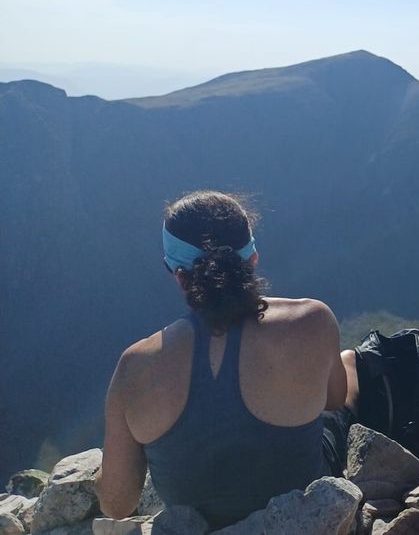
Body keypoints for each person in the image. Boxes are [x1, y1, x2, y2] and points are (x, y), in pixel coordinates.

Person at [96, 191, 347, 529]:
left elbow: (116, 504)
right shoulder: (313, 320)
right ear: (252, 258)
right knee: (353, 364)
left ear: (176, 272)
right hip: (303, 521)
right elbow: (334, 400)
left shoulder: (134, 368)